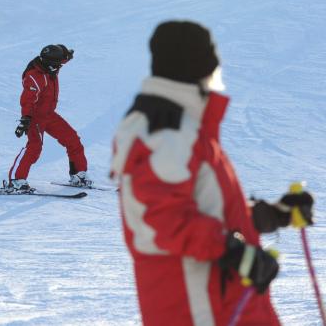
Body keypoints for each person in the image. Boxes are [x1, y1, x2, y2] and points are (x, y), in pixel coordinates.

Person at [109, 20, 315, 326]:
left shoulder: (183, 127)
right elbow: (163, 219)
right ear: (201, 66)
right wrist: (236, 252)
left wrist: (269, 215)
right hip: (197, 305)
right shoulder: (165, 132)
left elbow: (203, 207)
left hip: (220, 297)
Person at [3, 44, 91, 193]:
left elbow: (61, 59)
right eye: (58, 65)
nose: (59, 67)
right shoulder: (35, 76)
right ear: (50, 64)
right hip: (35, 116)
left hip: (49, 114)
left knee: (72, 139)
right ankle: (16, 181)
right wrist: (25, 119)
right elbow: (28, 99)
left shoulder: (51, 66)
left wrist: (68, 55)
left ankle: (78, 174)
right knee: (34, 147)